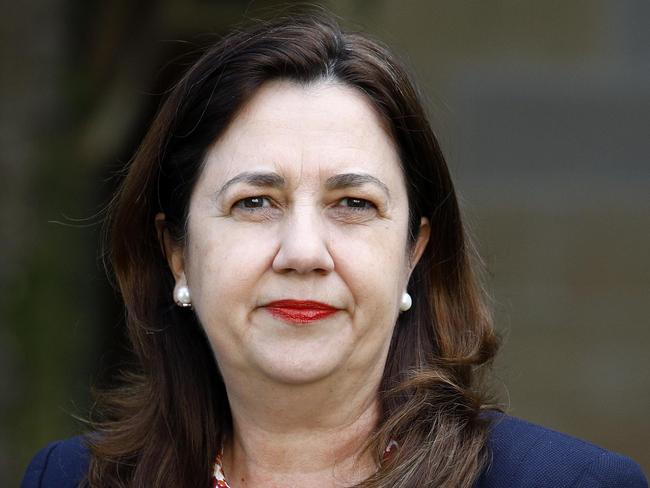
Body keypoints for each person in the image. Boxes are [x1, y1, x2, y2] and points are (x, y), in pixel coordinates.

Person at [22, 11, 647, 488]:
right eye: (255, 202)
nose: (302, 252)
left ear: (413, 253)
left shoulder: (564, 481)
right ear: (177, 252)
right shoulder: (70, 477)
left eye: (353, 205)